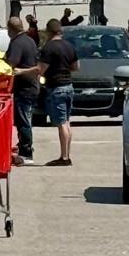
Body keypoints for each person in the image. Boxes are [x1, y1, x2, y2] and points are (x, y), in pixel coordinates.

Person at [37, 19, 79, 166]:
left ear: (48, 31)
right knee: (67, 121)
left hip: (56, 87)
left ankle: (64, 157)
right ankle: (67, 153)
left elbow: (41, 69)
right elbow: (76, 67)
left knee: (61, 123)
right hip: (69, 86)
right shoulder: (69, 46)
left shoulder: (48, 48)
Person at [4, 14, 42, 166]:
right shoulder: (29, 40)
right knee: (24, 119)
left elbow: (11, 63)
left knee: (23, 121)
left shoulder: (17, 42)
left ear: (10, 29)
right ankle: (23, 149)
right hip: (32, 85)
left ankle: (26, 152)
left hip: (24, 87)